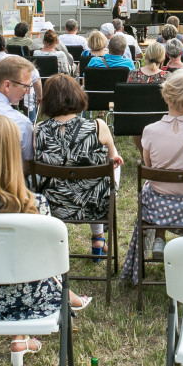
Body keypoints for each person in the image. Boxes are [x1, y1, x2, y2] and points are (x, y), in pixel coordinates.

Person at [0, 113, 92, 366]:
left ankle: (22, 337)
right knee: (32, 267)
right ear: (13, 155)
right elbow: (49, 263)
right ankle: (24, 334)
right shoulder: (34, 206)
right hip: (32, 302)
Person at [120, 70, 183, 279]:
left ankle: (160, 239)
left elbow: (150, 168)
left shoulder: (150, 130)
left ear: (167, 94)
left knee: (152, 188)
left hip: (157, 209)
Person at [33, 75, 122, 260]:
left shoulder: (39, 130)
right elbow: (112, 158)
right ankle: (98, 237)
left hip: (53, 205)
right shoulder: (98, 126)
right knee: (113, 162)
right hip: (94, 204)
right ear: (78, 96)